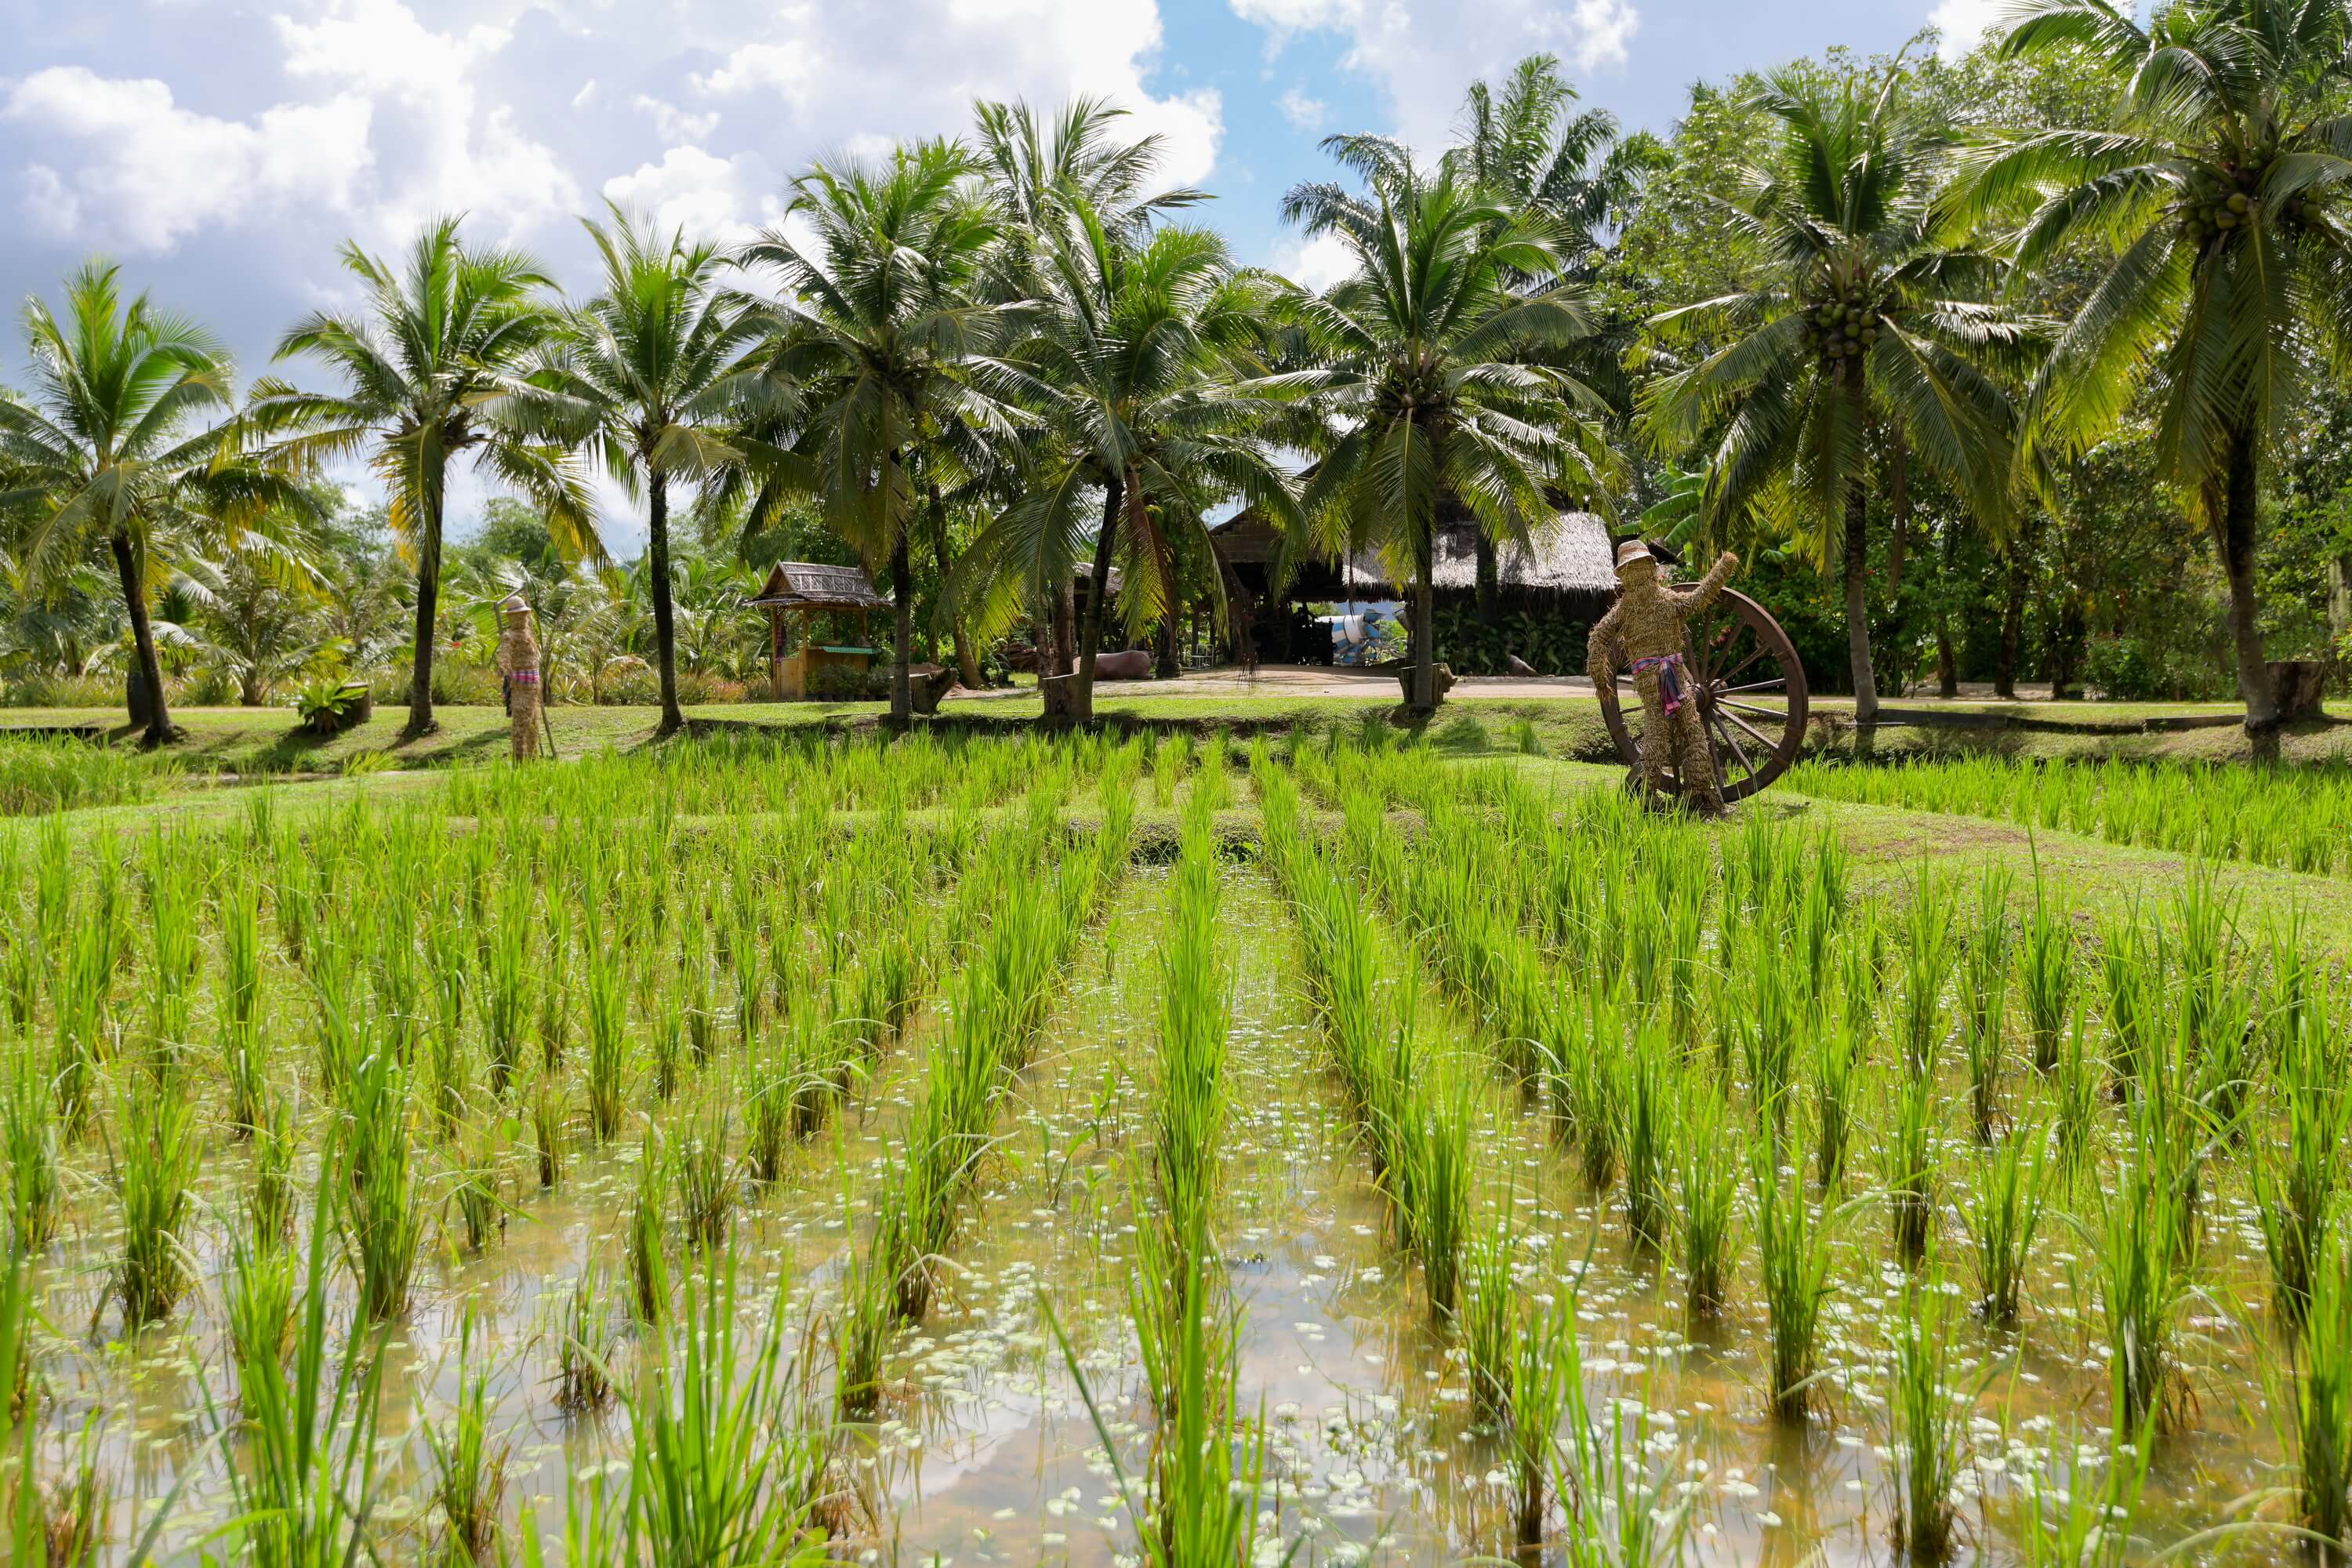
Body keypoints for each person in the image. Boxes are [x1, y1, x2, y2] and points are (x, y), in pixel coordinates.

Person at [1586, 541, 1740, 815]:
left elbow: (1597, 638)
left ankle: (1651, 795)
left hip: (1651, 680)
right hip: (1673, 677)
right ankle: (1700, 796)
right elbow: (1699, 598)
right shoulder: (1666, 600)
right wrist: (1723, 568)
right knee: (1692, 733)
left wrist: (1601, 681)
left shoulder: (1626, 610)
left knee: (1660, 733)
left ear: (1624, 575)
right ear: (1651, 568)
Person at [494, 593, 543, 761]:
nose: (522, 618)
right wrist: (503, 667)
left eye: (524, 615)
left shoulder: (528, 636)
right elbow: (505, 655)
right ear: (512, 617)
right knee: (521, 725)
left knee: (533, 725)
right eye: (518, 615)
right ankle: (520, 759)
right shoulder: (510, 636)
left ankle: (532, 756)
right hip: (521, 688)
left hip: (533, 688)